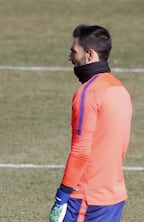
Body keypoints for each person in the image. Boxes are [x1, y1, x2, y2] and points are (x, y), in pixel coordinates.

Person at [49, 24, 133, 222]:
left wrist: (62, 196)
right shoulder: (119, 89)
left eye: (73, 51)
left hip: (87, 198)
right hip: (113, 195)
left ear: (90, 54)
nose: (70, 57)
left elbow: (80, 151)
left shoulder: (88, 93)